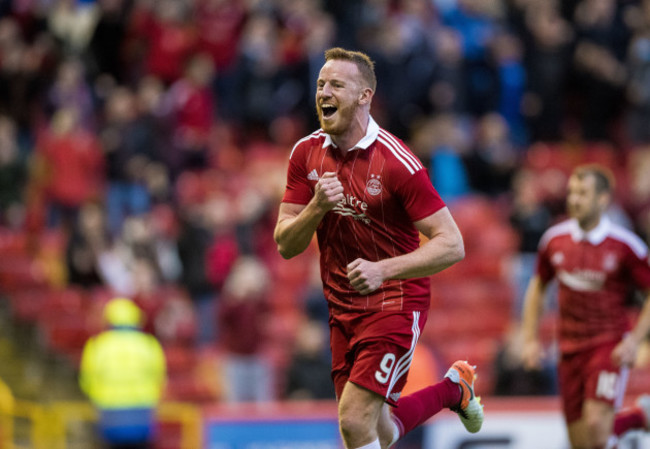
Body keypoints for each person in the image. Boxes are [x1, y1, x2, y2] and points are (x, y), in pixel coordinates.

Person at [274, 47, 483, 449]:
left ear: (364, 96)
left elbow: (452, 244)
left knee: (354, 421)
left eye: (336, 84)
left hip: (395, 300)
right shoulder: (305, 153)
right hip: (342, 305)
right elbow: (285, 244)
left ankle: (454, 392)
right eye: (320, 84)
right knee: (378, 428)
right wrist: (317, 206)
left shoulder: (396, 162)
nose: (323, 92)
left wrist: (382, 270)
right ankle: (453, 391)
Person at [520, 164, 650, 449]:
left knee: (597, 427)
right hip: (568, 348)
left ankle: (638, 416)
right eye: (572, 192)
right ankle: (634, 421)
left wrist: (635, 341)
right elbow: (538, 286)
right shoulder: (554, 240)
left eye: (583, 193)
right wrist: (529, 338)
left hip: (608, 345)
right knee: (582, 442)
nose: (574, 199)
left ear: (603, 199)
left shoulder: (625, 246)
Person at [79, 298, 166, 449]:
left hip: (109, 415)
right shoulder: (149, 344)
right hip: (142, 414)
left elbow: (87, 381)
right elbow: (160, 379)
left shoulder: (98, 345)